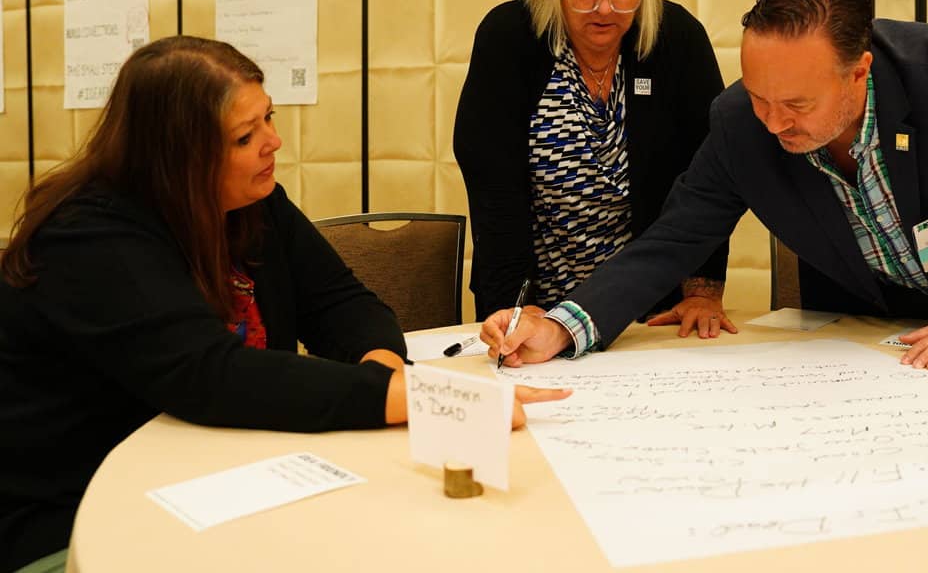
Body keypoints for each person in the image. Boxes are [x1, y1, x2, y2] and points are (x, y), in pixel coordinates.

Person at [0, 37, 567, 573]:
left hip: (218, 479)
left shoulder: (254, 204)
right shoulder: (90, 238)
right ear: (178, 157)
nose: (273, 142)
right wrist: (421, 400)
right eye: (245, 137)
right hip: (75, 519)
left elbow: (343, 304)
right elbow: (210, 373)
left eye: (268, 118)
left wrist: (385, 368)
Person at [482, 0, 928, 372]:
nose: (774, 122)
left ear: (859, 71)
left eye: (797, 105)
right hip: (887, 342)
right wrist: (561, 327)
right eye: (760, 97)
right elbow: (672, 240)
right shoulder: (740, 122)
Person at [454, 0, 729, 332]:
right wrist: (517, 306)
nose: (604, 7)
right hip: (537, 306)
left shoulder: (676, 40)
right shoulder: (510, 39)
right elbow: (493, 188)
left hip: (651, 312)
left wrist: (702, 289)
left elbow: (712, 173)